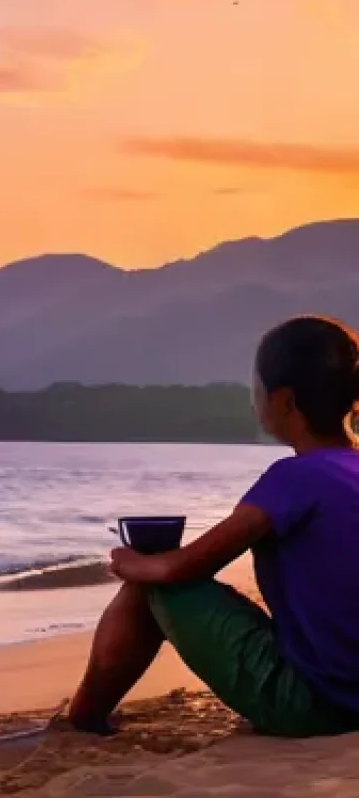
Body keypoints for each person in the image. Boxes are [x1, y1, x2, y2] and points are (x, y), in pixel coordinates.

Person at [68, 315, 359, 737]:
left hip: (318, 706)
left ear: (283, 402)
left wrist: (129, 561)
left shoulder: (294, 478)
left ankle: (84, 718)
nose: (253, 400)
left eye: (255, 390)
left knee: (155, 583)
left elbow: (180, 569)